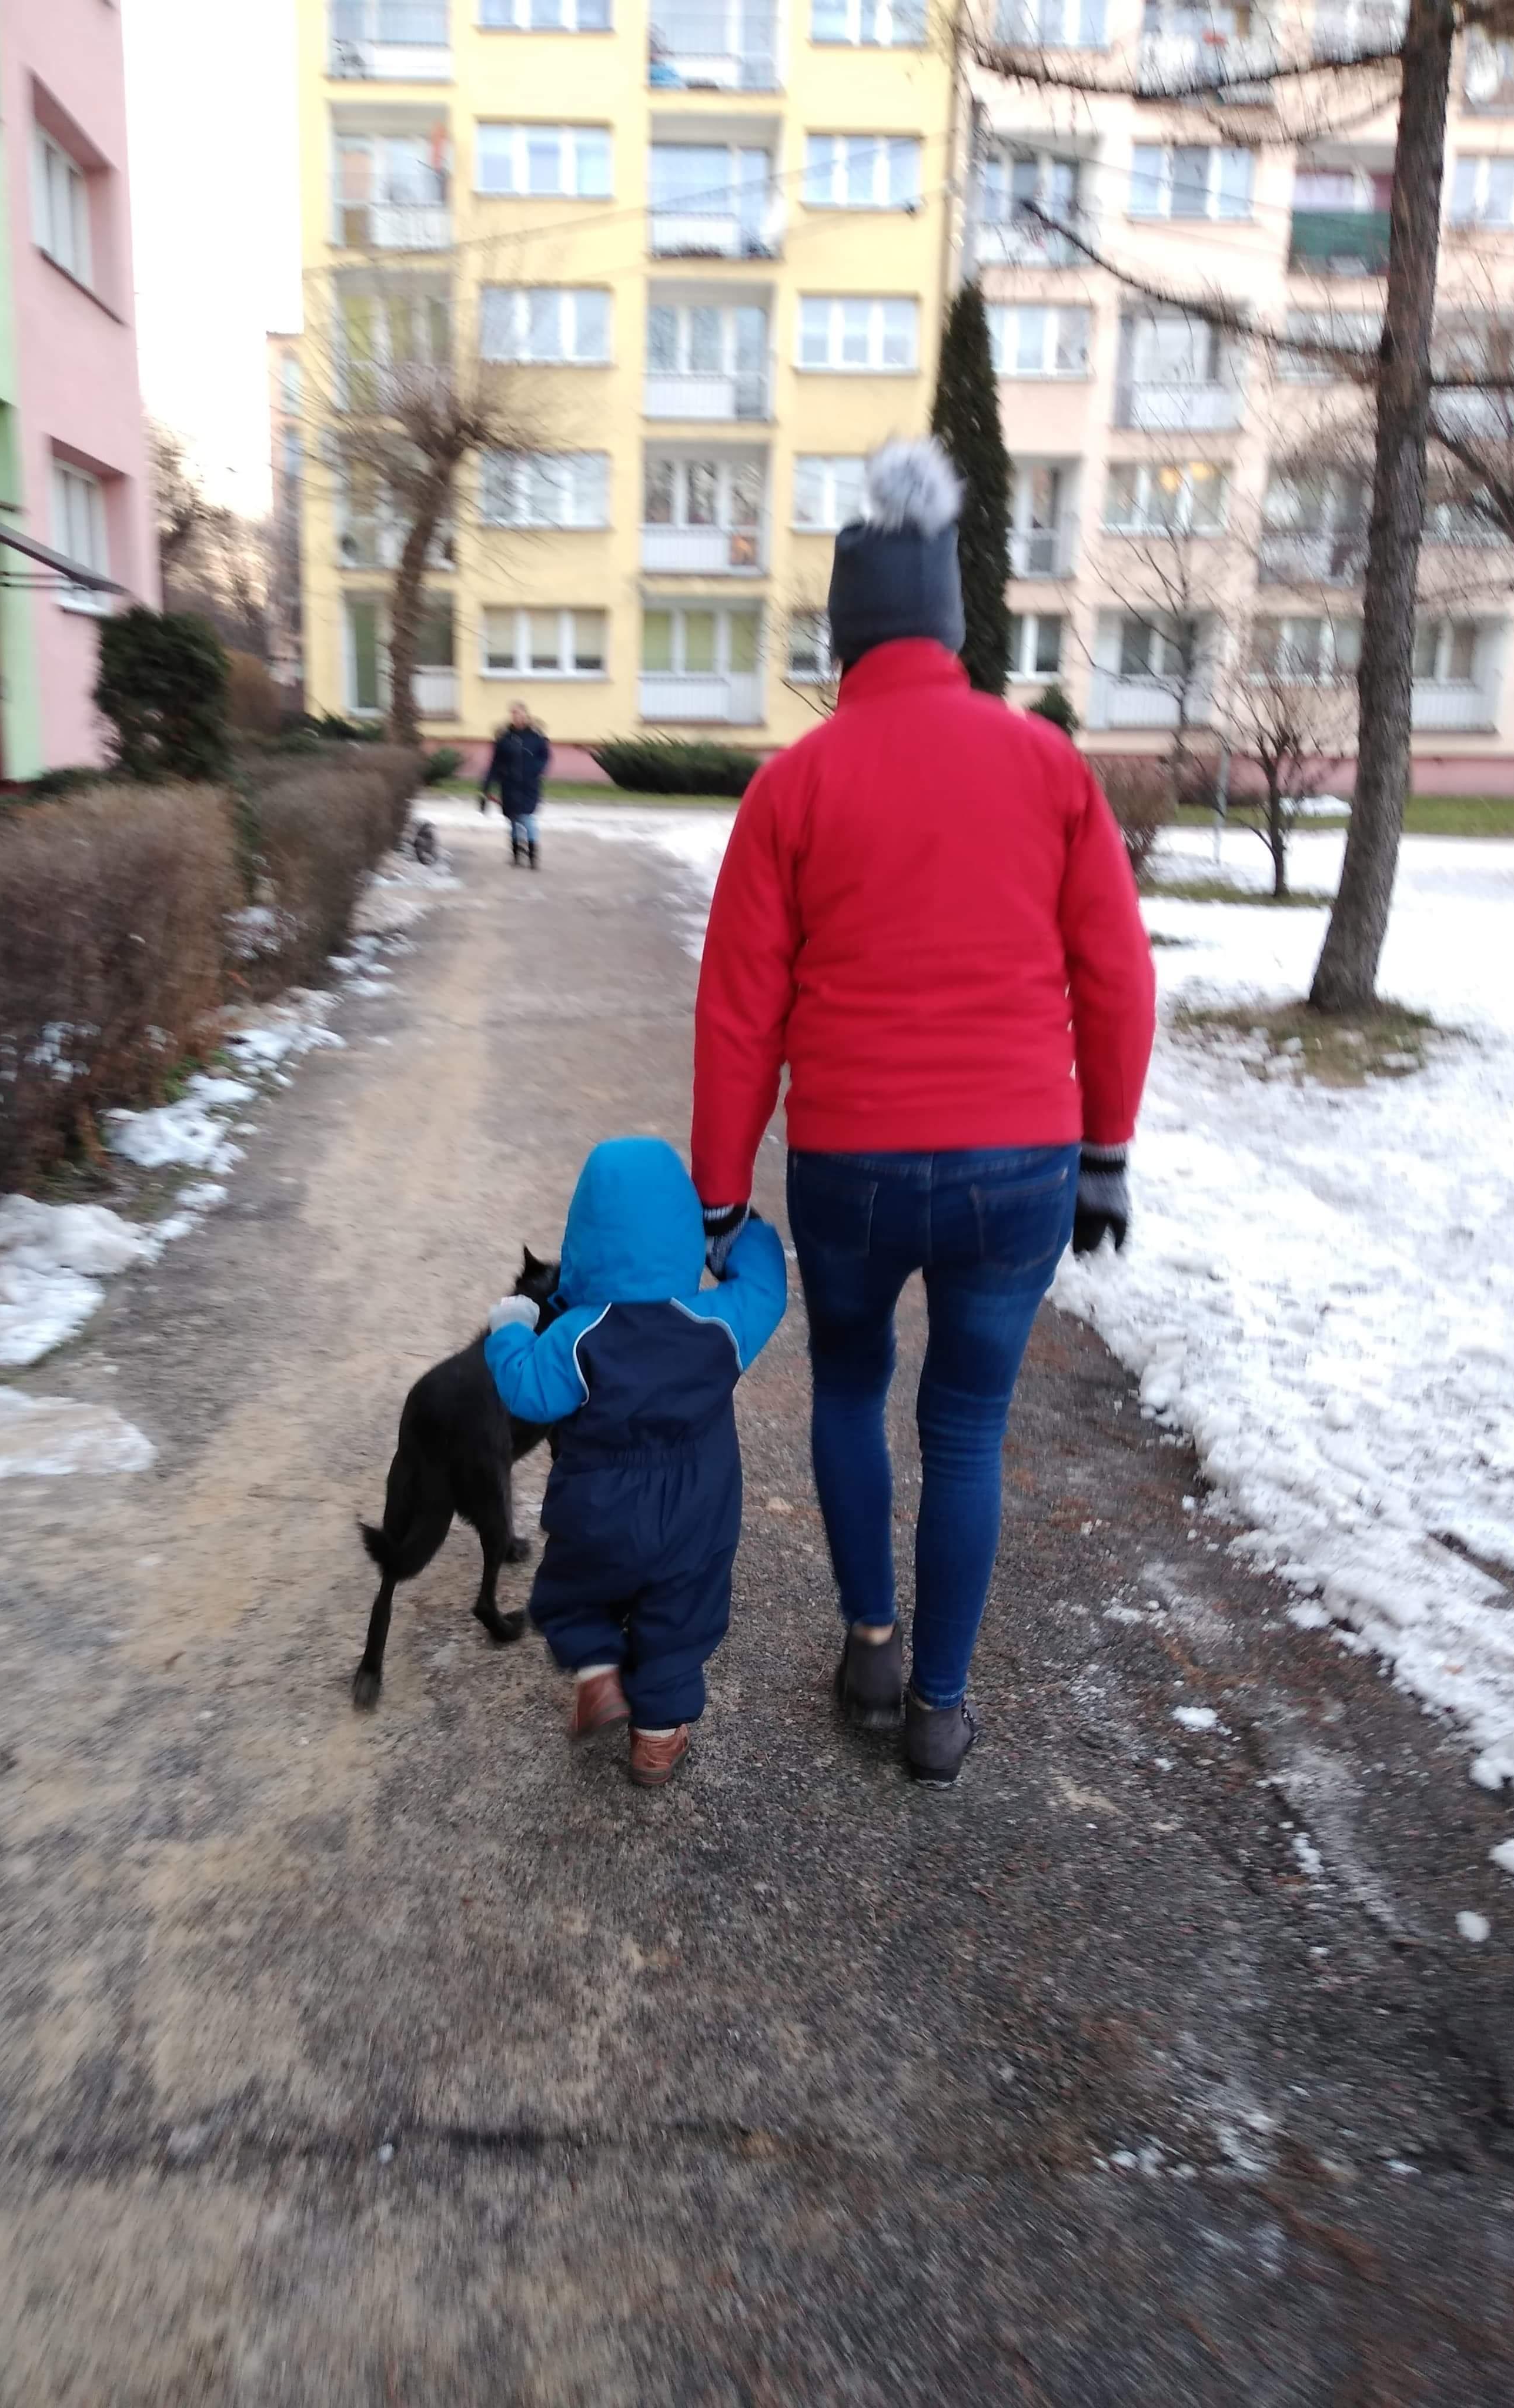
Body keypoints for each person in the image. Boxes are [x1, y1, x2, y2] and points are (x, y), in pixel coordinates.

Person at [690, 437, 1156, 1788]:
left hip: (849, 1162)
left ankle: (872, 1646)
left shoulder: (793, 785)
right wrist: (1105, 1152)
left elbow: (738, 1008)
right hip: (1015, 1164)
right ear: (955, 622)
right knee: (965, 1427)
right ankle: (941, 1710)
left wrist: (720, 1194)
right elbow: (1115, 975)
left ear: (844, 635)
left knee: (848, 1385)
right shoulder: (1046, 766)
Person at [484, 1136, 787, 1787]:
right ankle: (655, 1740)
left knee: (574, 1591)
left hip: (597, 1509)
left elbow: (526, 1391)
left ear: (583, 1240)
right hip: (697, 1511)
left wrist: (509, 1328)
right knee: (680, 1614)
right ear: (682, 1235)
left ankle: (597, 1672)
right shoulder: (717, 1325)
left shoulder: (577, 1335)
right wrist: (745, 1235)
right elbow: (767, 1288)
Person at [479, 701, 551, 868]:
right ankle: (516, 856)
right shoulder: (504, 739)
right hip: (509, 785)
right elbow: (495, 763)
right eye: (514, 714)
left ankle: (533, 857)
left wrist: (535, 771)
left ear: (526, 716)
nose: (517, 717)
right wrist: (487, 786)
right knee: (512, 820)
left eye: (519, 714)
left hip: (529, 785)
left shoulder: (536, 737)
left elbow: (545, 758)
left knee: (527, 818)